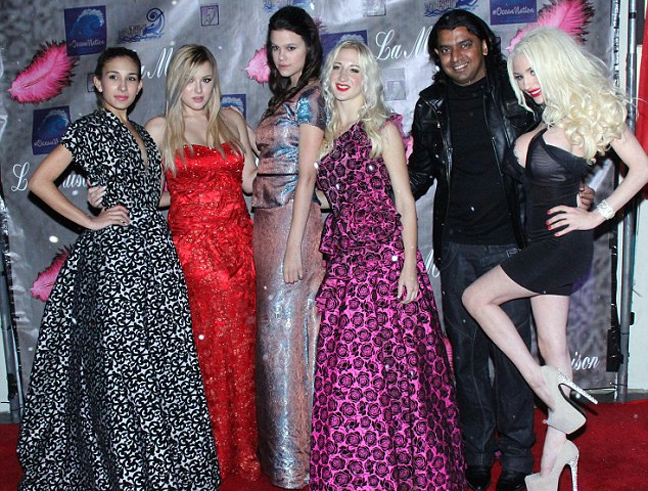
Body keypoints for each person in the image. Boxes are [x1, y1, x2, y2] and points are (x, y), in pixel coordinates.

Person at [18, 47, 220, 490]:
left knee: (159, 362)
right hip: (115, 262)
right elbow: (39, 181)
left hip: (155, 257)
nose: (123, 86)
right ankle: (122, 468)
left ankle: (160, 464)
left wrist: (202, 189)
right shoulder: (88, 129)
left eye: (131, 78)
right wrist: (90, 219)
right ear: (97, 83)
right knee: (121, 363)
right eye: (114, 77)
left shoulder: (144, 135)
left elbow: (153, 197)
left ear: (141, 85)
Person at [462, 27, 648, 491]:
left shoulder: (590, 111)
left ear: (554, 64)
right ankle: (552, 464)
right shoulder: (546, 120)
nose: (528, 83)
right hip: (539, 244)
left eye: (533, 72)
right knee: (554, 348)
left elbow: (642, 168)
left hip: (562, 246)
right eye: (520, 76)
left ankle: (545, 389)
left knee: (476, 298)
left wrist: (597, 214)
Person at [310, 39, 466, 491]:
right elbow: (331, 197)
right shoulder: (324, 136)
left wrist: (409, 268)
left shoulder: (381, 130)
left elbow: (404, 201)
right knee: (348, 374)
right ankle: (355, 476)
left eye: (355, 70)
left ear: (368, 79)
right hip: (344, 265)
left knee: (399, 375)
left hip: (384, 261)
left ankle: (410, 473)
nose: (344, 77)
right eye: (338, 67)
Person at [408, 10, 540, 491]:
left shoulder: (515, 92)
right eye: (445, 49)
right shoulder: (431, 105)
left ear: (485, 44)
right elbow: (420, 172)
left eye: (464, 45)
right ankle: (478, 453)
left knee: (511, 356)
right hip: (458, 246)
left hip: (511, 245)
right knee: (465, 356)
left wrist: (577, 191)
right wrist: (378, 196)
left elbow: (556, 146)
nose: (456, 57)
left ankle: (518, 457)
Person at [145, 44, 260, 481]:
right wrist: (109, 196)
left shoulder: (230, 119)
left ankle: (244, 448)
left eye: (206, 80)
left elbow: (250, 182)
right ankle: (212, 450)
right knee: (208, 348)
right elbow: (149, 193)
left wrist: (298, 169)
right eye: (190, 80)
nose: (198, 89)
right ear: (176, 81)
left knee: (242, 346)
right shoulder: (160, 127)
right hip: (193, 250)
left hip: (240, 245)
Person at [252, 6, 325, 488]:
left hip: (291, 224)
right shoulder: (282, 96)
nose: (282, 56)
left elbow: (307, 176)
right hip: (265, 222)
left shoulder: (312, 97)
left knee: (288, 337)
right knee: (272, 339)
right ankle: (280, 454)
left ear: (308, 48)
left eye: (291, 47)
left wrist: (295, 245)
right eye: (275, 48)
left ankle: (298, 461)